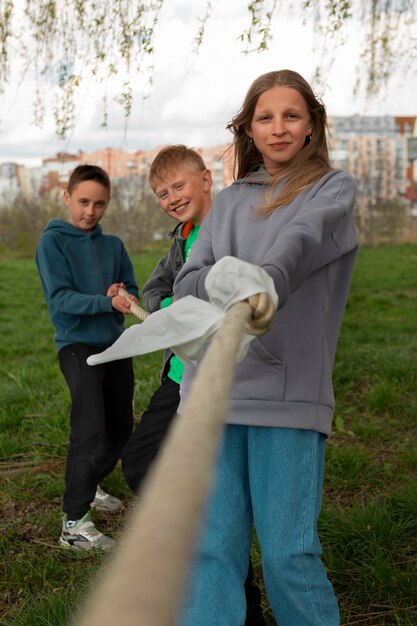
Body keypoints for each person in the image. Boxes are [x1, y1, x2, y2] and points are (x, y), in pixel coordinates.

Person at [173, 70, 358, 625]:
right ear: (249, 129)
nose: (278, 128)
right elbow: (187, 280)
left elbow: (299, 244)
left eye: (291, 115)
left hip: (288, 395)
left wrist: (261, 280)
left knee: (287, 554)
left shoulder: (332, 189)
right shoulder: (226, 203)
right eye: (265, 117)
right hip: (209, 393)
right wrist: (222, 282)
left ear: (310, 126)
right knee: (210, 551)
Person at [121, 144, 266, 626]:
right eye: (162, 193)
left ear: (206, 179)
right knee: (142, 462)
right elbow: (158, 288)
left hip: (221, 379)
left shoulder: (232, 226)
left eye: (178, 186)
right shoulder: (180, 236)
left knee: (217, 497)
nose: (171, 197)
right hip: (178, 377)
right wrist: (165, 308)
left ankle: (239, 604)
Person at [35, 164, 139, 551]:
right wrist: (105, 300)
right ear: (67, 196)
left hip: (115, 344)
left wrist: (122, 293)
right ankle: (74, 524)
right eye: (83, 202)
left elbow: (130, 286)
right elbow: (60, 298)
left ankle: (90, 482)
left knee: (120, 428)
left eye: (99, 204)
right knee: (90, 430)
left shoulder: (114, 245)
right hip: (77, 345)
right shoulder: (53, 242)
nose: (89, 211)